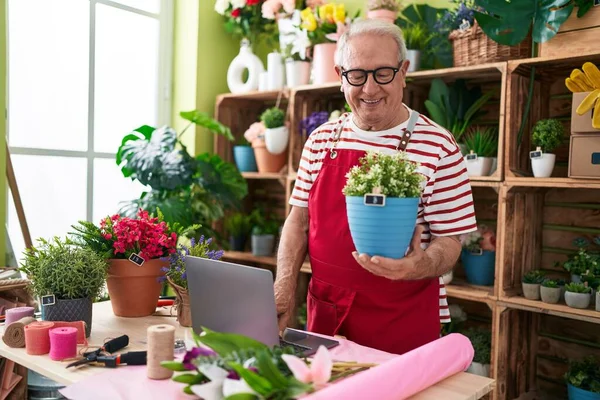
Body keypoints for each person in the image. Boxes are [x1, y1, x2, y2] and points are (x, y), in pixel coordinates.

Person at [275, 19, 477, 355]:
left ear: (403, 72)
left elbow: (450, 240)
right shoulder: (320, 140)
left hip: (401, 320)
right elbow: (298, 220)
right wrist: (284, 284)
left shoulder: (439, 145)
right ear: (341, 76)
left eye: (383, 72)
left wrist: (420, 266)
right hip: (327, 314)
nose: (369, 89)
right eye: (357, 75)